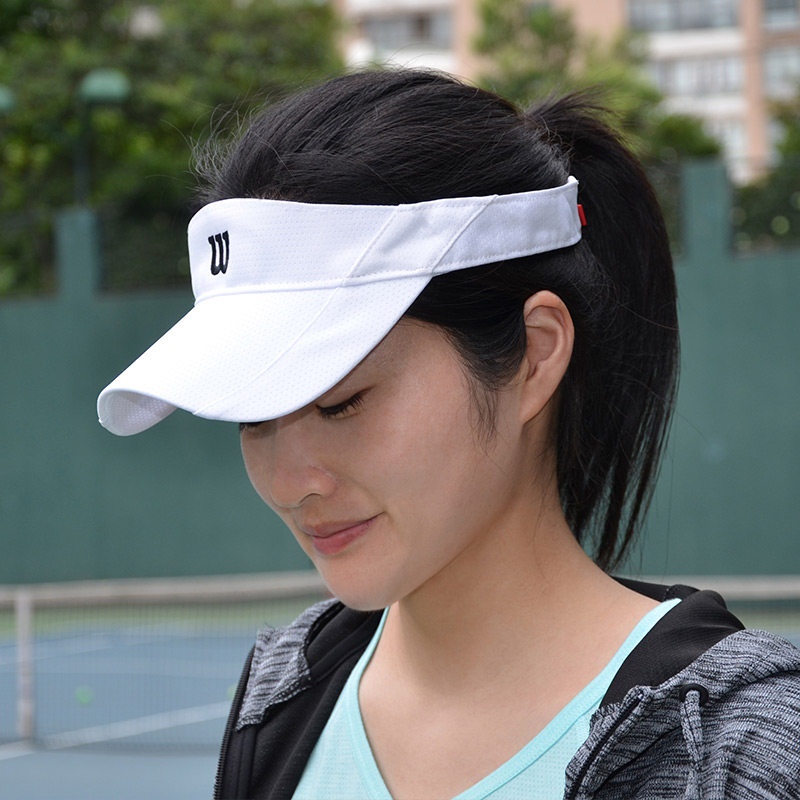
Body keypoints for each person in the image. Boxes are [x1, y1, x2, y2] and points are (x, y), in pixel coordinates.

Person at [97, 70, 800, 800]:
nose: (288, 481)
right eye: (253, 416)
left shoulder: (735, 756)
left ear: (534, 356)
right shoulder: (282, 698)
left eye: (341, 402)